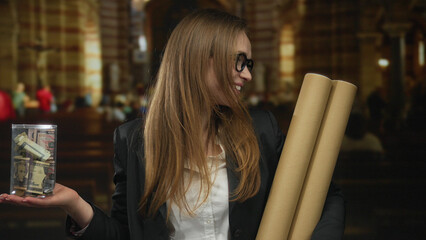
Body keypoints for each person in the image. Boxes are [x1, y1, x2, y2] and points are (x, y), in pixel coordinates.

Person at [0, 9, 345, 239]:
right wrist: (75, 204)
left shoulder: (262, 129)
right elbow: (125, 232)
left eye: (250, 63)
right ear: (199, 60)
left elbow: (326, 194)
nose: (248, 74)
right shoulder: (133, 140)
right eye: (239, 62)